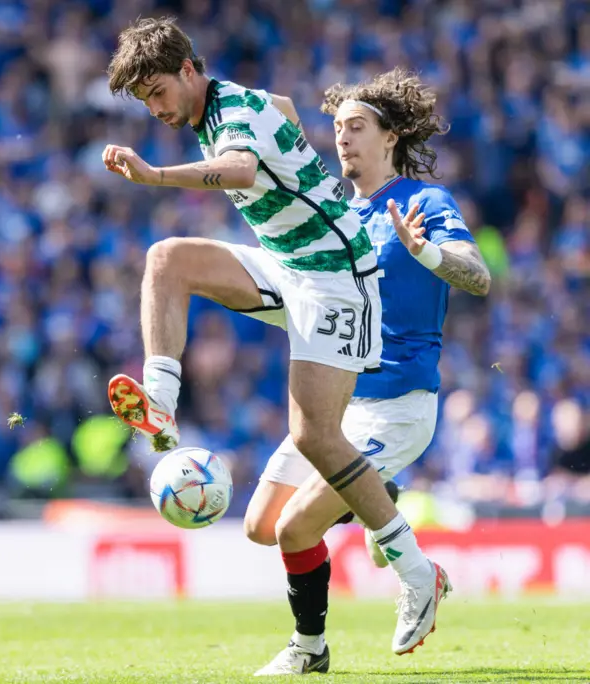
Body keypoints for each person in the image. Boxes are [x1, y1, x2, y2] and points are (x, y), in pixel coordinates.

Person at [101, 18, 444, 656]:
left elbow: (236, 168)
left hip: (340, 278)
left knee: (316, 434)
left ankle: (417, 574)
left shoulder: (231, 117)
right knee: (166, 258)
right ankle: (160, 405)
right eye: (145, 101)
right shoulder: (231, 104)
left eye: (157, 92)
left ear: (188, 71)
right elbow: (280, 110)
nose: (155, 109)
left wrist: (155, 177)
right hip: (290, 264)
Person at [245, 68, 492, 676]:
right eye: (336, 129)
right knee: (261, 525)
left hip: (400, 403)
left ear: (392, 136)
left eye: (357, 127)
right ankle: (375, 500)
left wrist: (425, 251)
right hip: (336, 406)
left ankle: (312, 647)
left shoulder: (423, 202)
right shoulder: (332, 217)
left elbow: (478, 276)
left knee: (296, 529)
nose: (342, 139)